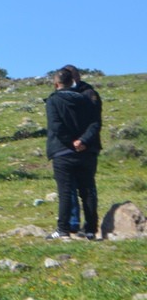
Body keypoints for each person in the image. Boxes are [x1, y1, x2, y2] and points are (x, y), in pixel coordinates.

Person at [44, 68, 99, 239]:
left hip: (63, 151)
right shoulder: (86, 99)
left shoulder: (54, 101)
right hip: (86, 151)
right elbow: (95, 123)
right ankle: (90, 229)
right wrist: (83, 141)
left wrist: (71, 143)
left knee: (66, 191)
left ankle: (63, 229)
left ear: (56, 84)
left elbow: (56, 125)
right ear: (73, 82)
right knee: (88, 190)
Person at [62, 65, 103, 237]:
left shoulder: (89, 94)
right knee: (70, 188)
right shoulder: (66, 95)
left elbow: (95, 122)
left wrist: (83, 141)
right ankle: (74, 224)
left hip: (87, 148)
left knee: (86, 189)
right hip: (72, 147)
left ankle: (89, 227)